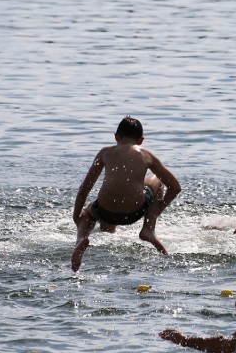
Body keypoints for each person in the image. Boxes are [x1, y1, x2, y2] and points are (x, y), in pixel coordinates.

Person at [71, 116, 181, 272]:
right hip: (135, 212)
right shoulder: (146, 155)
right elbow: (175, 187)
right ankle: (148, 229)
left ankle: (81, 240)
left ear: (116, 137)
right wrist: (156, 210)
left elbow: (84, 189)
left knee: (87, 213)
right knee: (157, 180)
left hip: (105, 212)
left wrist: (77, 218)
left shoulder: (105, 153)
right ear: (141, 140)